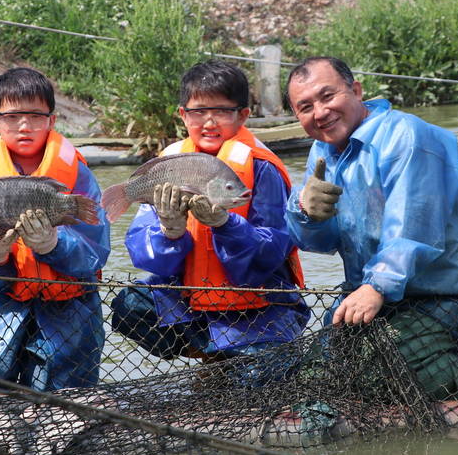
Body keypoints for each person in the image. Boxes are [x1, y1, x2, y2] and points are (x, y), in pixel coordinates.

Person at [283, 56, 458, 400]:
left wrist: (376, 287)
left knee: (382, 385)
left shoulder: (408, 136)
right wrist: (305, 212)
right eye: (305, 106)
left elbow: (415, 228)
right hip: (371, 297)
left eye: (327, 96)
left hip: (443, 296)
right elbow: (321, 243)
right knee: (317, 377)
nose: (320, 112)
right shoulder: (323, 152)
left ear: (355, 90)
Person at [111, 59, 310, 363]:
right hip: (191, 299)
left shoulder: (262, 167)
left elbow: (273, 250)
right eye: (198, 111)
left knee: (259, 386)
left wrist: (225, 224)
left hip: (258, 307)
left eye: (221, 111)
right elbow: (143, 255)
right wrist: (170, 232)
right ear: (182, 115)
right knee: (129, 305)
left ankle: (235, 358)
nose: (209, 122)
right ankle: (204, 354)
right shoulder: (171, 161)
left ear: (243, 115)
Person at [0, 67, 110, 401]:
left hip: (68, 302)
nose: (24, 125)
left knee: (63, 395)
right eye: (13, 116)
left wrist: (54, 244)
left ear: (52, 120)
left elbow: (96, 250)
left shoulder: (77, 175)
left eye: (34, 116)